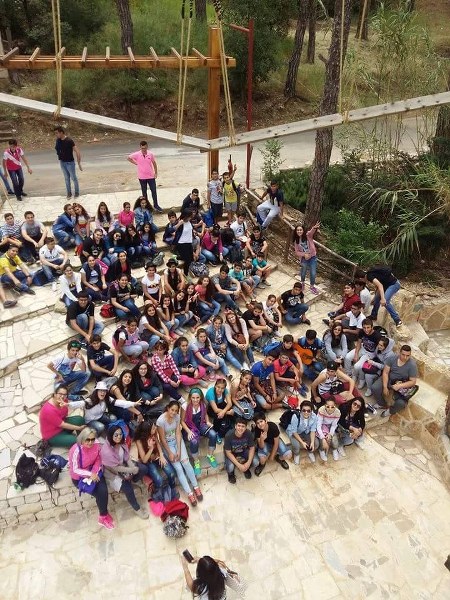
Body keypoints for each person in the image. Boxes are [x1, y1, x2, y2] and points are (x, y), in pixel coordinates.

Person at [157, 401, 203, 506]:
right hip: (167, 445)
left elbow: (178, 433)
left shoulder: (177, 417)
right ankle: (189, 493)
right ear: (168, 408)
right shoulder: (161, 421)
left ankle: (196, 486)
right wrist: (169, 453)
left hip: (178, 441)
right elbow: (162, 439)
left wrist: (179, 449)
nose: (173, 412)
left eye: (176, 411)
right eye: (172, 410)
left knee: (186, 463)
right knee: (178, 468)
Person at [69, 427, 114, 529]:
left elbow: (98, 458)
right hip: (80, 477)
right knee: (100, 494)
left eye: (92, 439)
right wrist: (90, 474)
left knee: (103, 491)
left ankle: (103, 515)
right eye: (87, 440)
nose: (90, 442)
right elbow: (74, 469)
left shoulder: (96, 444)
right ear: (82, 439)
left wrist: (94, 472)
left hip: (95, 472)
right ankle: (103, 516)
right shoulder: (75, 450)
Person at [101, 424, 149, 519]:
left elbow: (127, 458)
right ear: (110, 436)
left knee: (143, 469)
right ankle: (137, 508)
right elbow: (116, 468)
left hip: (124, 465)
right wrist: (131, 469)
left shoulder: (122, 443)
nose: (119, 437)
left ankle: (132, 479)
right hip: (113, 473)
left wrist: (132, 467)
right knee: (128, 489)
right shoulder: (107, 451)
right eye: (116, 435)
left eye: (120, 434)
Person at [133, 421, 178, 502]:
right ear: (147, 431)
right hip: (148, 461)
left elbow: (158, 444)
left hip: (157, 456)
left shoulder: (153, 433)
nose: (155, 428)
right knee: (159, 480)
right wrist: (151, 448)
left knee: (171, 473)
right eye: (153, 428)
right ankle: (157, 491)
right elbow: (144, 460)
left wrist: (161, 455)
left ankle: (172, 487)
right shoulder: (139, 441)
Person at [373, 345, 419, 417]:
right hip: (389, 379)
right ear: (399, 353)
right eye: (403, 354)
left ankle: (390, 411)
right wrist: (385, 387)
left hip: (401, 384)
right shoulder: (392, 358)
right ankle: (381, 404)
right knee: (375, 387)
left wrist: (399, 386)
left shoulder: (412, 365)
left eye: (408, 355)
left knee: (401, 403)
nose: (405, 357)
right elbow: (385, 372)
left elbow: (413, 381)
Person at [181, 387, 218, 475]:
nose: (195, 400)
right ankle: (196, 461)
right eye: (193, 398)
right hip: (190, 427)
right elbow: (182, 421)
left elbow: (205, 415)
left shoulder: (203, 405)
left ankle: (210, 455)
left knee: (213, 434)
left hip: (200, 424)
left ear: (200, 397)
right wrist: (189, 432)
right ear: (190, 397)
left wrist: (207, 421)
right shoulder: (185, 406)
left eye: (197, 397)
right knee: (194, 441)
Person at [127, 140, 162, 211]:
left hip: (151, 176)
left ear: (147, 147)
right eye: (142, 148)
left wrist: (156, 172)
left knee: (154, 191)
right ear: (140, 147)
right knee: (144, 193)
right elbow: (128, 158)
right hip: (142, 177)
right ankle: (146, 206)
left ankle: (156, 205)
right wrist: (135, 163)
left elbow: (154, 163)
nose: (144, 150)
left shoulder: (150, 154)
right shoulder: (137, 154)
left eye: (145, 148)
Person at [286, 399, 319, 465]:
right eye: (304, 410)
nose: (306, 412)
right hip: (295, 433)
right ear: (301, 410)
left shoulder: (314, 416)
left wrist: (312, 442)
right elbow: (294, 432)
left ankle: (310, 452)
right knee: (296, 446)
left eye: (308, 411)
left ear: (311, 411)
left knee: (316, 443)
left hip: (306, 431)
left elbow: (313, 430)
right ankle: (297, 455)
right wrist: (302, 442)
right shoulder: (296, 416)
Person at [224, 417, 256, 483]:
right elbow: (228, 452)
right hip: (232, 453)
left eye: (243, 426)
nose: (240, 428)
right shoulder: (228, 435)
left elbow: (252, 448)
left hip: (243, 451)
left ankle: (245, 468)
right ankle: (231, 474)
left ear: (246, 427)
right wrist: (239, 465)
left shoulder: (248, 433)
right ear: (235, 426)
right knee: (230, 467)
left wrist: (248, 463)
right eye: (239, 426)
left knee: (255, 461)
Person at [54, 126, 82, 199]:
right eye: (55, 133)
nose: (56, 135)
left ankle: (76, 192)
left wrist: (79, 163)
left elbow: (77, 151)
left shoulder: (69, 140)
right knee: (66, 178)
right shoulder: (58, 140)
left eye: (57, 133)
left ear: (61, 132)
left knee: (73, 178)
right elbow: (57, 149)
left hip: (69, 163)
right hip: (62, 162)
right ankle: (69, 193)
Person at [293, 221, 320, 293]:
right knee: (303, 272)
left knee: (313, 273)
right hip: (304, 258)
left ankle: (312, 286)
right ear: (296, 231)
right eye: (298, 230)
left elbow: (311, 232)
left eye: (300, 230)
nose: (299, 231)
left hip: (312, 257)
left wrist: (314, 228)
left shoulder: (308, 235)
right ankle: (302, 283)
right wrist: (304, 254)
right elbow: (297, 252)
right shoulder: (296, 241)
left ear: (303, 230)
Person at [316, 397, 341, 462]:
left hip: (330, 426)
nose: (330, 409)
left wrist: (330, 434)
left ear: (335, 406)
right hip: (322, 426)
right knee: (322, 441)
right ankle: (321, 450)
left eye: (332, 407)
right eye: (328, 406)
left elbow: (334, 425)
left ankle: (334, 449)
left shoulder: (337, 412)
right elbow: (318, 425)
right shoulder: (321, 410)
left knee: (334, 442)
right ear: (325, 405)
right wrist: (323, 438)